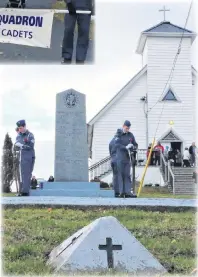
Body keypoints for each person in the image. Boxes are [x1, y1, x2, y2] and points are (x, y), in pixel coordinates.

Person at [115, 120, 138, 198]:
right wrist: (125, 147)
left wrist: (133, 147)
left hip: (127, 158)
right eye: (126, 128)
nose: (127, 129)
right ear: (123, 126)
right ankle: (121, 192)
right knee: (120, 175)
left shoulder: (130, 135)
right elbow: (116, 144)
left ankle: (128, 192)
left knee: (127, 175)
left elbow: (135, 144)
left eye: (128, 128)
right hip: (120, 157)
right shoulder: (119, 134)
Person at [14, 120, 35, 196]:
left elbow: (31, 146)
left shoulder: (30, 135)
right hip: (22, 156)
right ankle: (23, 191)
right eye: (19, 128)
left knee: (26, 174)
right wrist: (23, 145)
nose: (20, 129)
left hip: (28, 156)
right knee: (22, 174)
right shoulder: (19, 135)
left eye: (21, 128)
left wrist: (23, 145)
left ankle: (25, 191)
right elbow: (17, 143)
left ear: (25, 126)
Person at [109, 131, 121, 198]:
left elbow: (110, 152)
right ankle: (118, 191)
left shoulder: (111, 142)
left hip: (113, 160)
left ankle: (115, 191)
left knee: (115, 176)